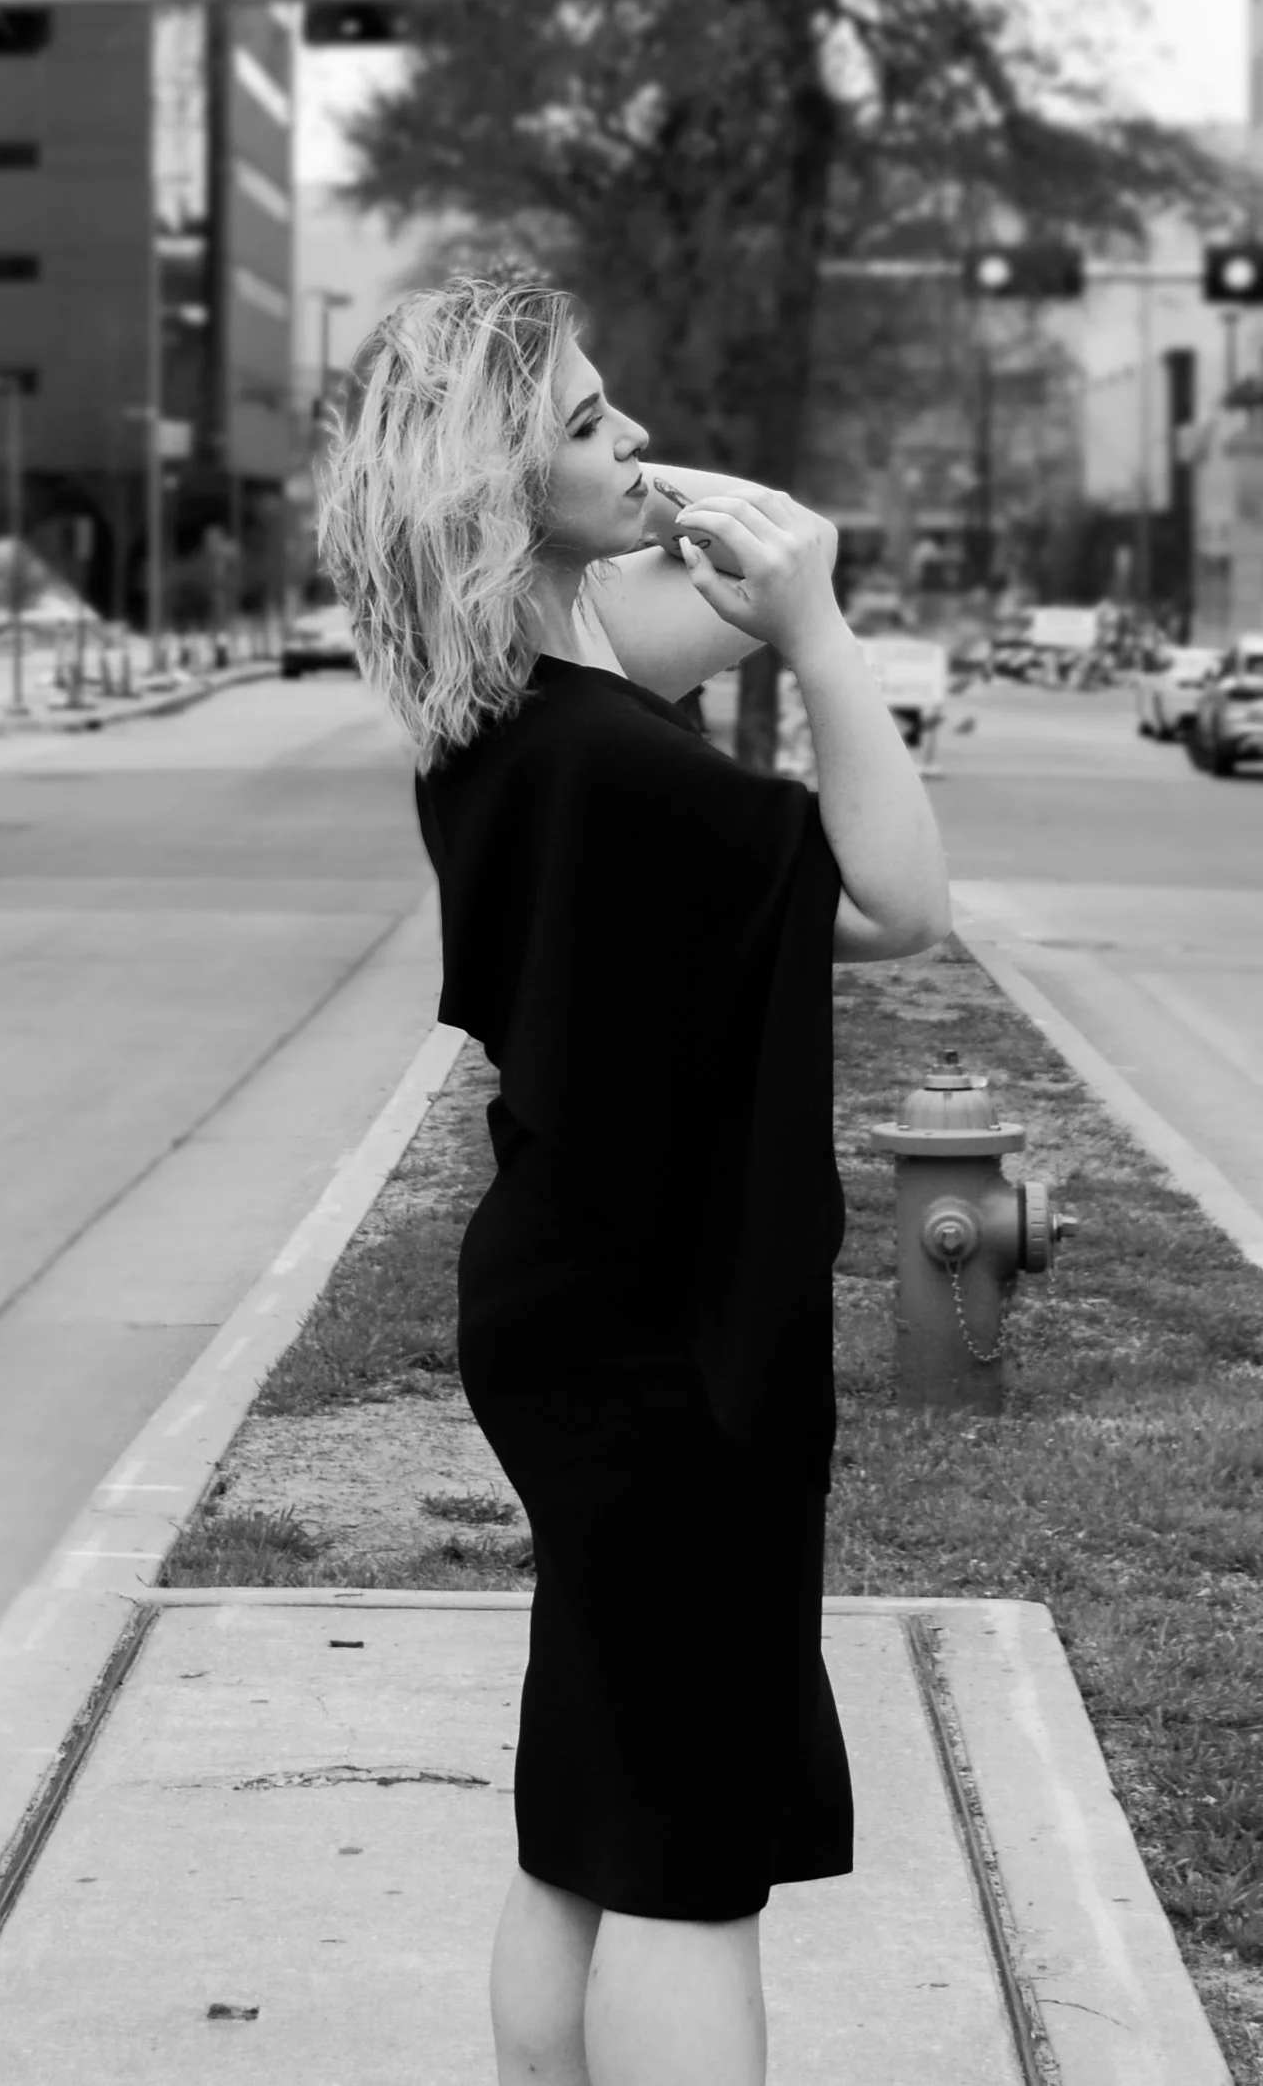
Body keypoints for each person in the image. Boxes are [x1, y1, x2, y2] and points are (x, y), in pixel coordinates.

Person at [317, 277, 949, 2086]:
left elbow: (685, 608)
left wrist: (655, 502)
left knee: (591, 1805)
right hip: (667, 1342)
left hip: (574, 1299)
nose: (638, 443)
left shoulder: (501, 709)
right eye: (589, 422)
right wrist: (824, 631)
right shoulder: (619, 771)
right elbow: (903, 907)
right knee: (683, 1852)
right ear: (496, 492)